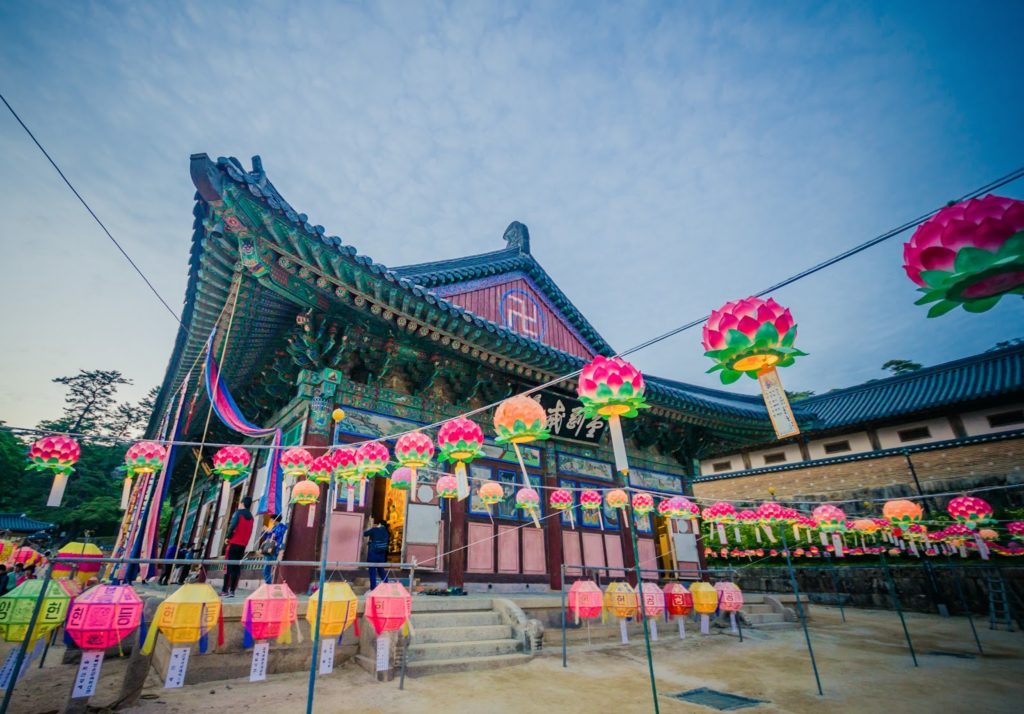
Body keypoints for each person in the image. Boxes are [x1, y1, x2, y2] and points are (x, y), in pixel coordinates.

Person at [221, 496, 254, 598]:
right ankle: (232, 591)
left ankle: (224, 590)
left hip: (234, 542)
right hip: (242, 545)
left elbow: (233, 526)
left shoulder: (238, 513)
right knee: (236, 567)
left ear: (242, 503)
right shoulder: (252, 517)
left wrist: (228, 537)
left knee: (228, 566)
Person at [258, 514, 288, 584]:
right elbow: (267, 537)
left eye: (271, 519)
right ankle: (268, 582)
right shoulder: (273, 527)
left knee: (267, 567)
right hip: (269, 548)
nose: (270, 520)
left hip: (274, 548)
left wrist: (269, 531)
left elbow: (277, 535)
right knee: (267, 566)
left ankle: (268, 583)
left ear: (275, 519)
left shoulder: (281, 527)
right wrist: (264, 532)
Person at [363, 517, 390, 590]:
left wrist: (372, 527)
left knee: (372, 571)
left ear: (379, 524)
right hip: (381, 555)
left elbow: (365, 534)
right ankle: (387, 586)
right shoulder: (386, 532)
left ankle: (373, 588)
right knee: (381, 571)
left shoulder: (374, 530)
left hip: (373, 554)